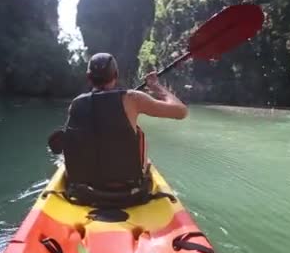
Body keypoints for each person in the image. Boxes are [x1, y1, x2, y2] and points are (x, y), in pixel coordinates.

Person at [48, 52, 188, 206]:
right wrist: (157, 87)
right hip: (128, 190)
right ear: (116, 74)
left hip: (85, 191)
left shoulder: (75, 104)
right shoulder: (133, 99)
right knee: (139, 133)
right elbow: (181, 111)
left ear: (89, 77)